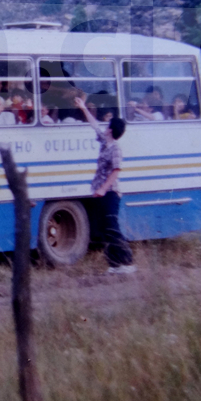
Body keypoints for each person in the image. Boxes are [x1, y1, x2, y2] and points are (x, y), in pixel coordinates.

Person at [75, 97, 136, 274]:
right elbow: (94, 124)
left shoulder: (115, 148)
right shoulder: (105, 142)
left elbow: (116, 170)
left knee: (111, 226)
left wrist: (103, 188)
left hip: (110, 193)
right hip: (101, 192)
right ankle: (115, 264)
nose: (105, 125)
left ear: (110, 129)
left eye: (108, 124)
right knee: (103, 229)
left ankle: (128, 261)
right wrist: (83, 108)